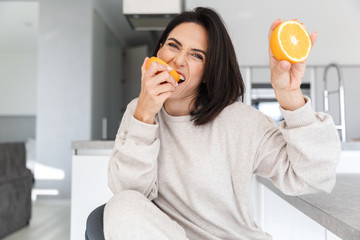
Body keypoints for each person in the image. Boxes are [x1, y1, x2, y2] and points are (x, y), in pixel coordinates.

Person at [103, 7, 340, 240]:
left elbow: (314, 176)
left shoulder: (241, 122)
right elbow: (131, 192)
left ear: (207, 73)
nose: (178, 60)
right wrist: (144, 115)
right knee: (121, 205)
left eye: (197, 55)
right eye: (173, 45)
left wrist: (289, 95)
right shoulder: (139, 110)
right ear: (159, 51)